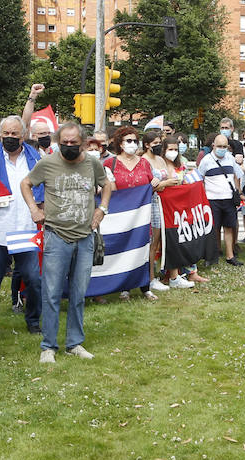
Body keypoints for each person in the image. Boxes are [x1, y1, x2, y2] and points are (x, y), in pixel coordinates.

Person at [22, 122, 112, 363]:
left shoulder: (92, 163)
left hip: (85, 237)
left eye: (74, 142)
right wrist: (34, 209)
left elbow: (106, 184)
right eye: (64, 142)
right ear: (58, 142)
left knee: (79, 294)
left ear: (83, 143)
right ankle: (48, 346)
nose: (69, 146)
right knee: (51, 294)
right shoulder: (47, 163)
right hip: (56, 236)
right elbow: (25, 184)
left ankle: (74, 343)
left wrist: (102, 209)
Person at [0, 114, 43, 339]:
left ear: (23, 135)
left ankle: (33, 321)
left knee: (34, 280)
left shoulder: (36, 158)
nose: (10, 137)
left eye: (14, 133)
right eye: (6, 133)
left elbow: (44, 189)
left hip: (26, 229)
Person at [103, 126, 159, 299]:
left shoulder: (144, 163)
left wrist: (156, 182)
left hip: (141, 216)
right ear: (120, 143)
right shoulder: (110, 163)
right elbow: (105, 188)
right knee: (124, 248)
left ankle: (145, 286)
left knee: (143, 248)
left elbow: (151, 185)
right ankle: (124, 287)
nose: (132, 144)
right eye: (129, 141)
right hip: (121, 215)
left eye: (135, 141)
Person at [146, 133, 199, 289]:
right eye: (155, 142)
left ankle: (174, 276)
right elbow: (150, 186)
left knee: (171, 239)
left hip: (168, 205)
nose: (157, 145)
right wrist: (166, 183)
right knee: (154, 243)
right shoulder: (144, 161)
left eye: (159, 142)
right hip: (154, 204)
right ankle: (151, 278)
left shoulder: (160, 160)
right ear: (147, 144)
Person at [196, 132, 245, 265]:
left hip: (228, 199)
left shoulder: (230, 158)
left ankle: (230, 256)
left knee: (229, 227)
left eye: (225, 146)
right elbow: (200, 179)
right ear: (213, 145)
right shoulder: (206, 160)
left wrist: (238, 192)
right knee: (213, 228)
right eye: (219, 146)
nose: (222, 149)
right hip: (212, 199)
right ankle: (212, 255)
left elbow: (237, 174)